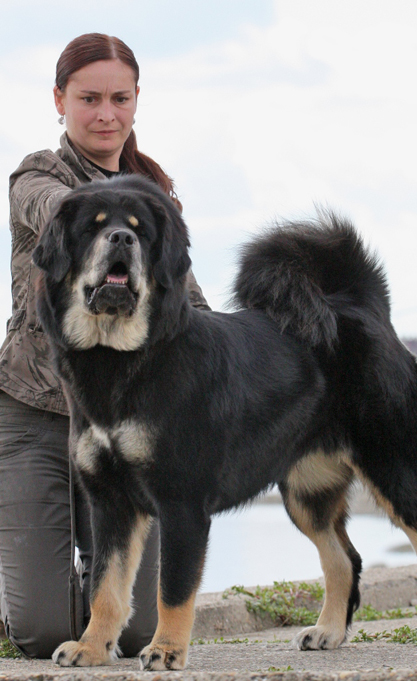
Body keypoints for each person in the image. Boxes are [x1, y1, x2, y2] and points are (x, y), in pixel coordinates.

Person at [0, 33, 209, 659]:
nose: (105, 114)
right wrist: (136, 216)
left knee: (140, 632)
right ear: (60, 100)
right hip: (35, 416)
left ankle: (96, 596)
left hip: (131, 425)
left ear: (137, 101)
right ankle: (41, 591)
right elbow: (59, 207)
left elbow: (194, 312)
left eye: (120, 98)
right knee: (41, 632)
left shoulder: (156, 200)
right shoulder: (37, 177)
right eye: (89, 98)